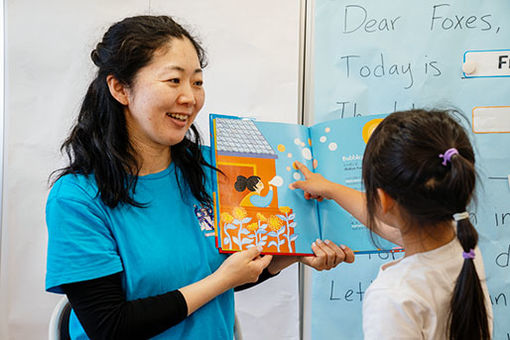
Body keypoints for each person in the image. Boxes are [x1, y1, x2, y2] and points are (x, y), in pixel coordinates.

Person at [45, 15, 355, 340]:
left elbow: (236, 271)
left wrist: (295, 253)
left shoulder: (213, 169)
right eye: (174, 81)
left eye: (197, 82)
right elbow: (110, 326)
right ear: (120, 88)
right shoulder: (77, 198)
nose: (190, 98)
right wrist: (221, 280)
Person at [290, 109, 493, 340]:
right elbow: (391, 225)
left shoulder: (393, 296)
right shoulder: (463, 244)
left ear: (384, 199)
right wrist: (332, 189)